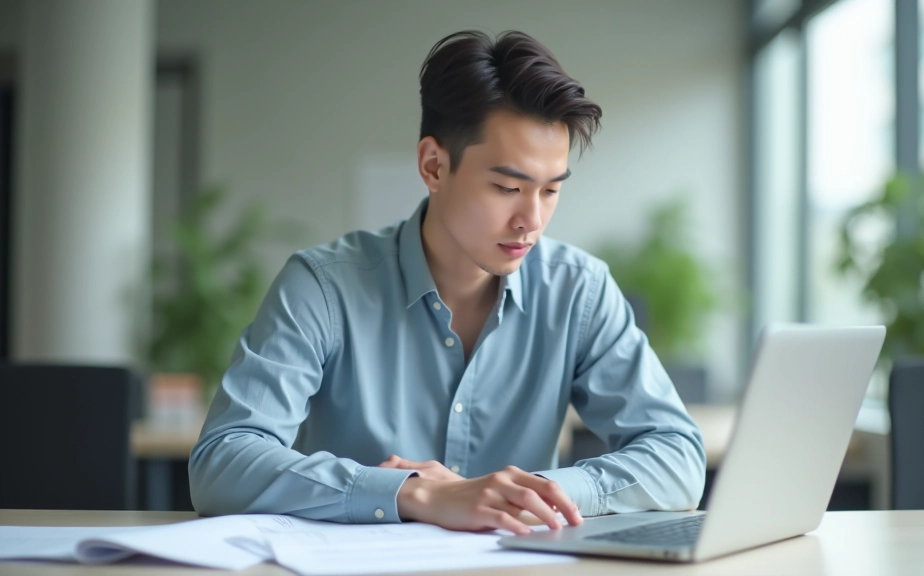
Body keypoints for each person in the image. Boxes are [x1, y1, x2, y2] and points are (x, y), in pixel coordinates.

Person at [189, 30, 706, 536]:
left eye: (550, 191)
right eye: (506, 187)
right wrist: (415, 494)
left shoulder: (580, 292)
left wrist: (528, 495)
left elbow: (678, 456)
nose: (531, 220)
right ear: (434, 166)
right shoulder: (322, 288)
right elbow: (222, 460)